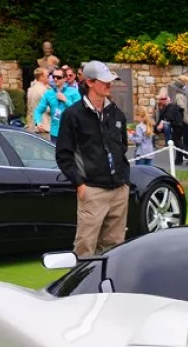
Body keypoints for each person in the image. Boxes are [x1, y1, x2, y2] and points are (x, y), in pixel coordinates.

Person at [55, 61, 130, 257]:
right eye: (104, 81)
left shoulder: (117, 113)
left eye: (110, 81)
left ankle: (109, 286)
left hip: (119, 189)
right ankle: (81, 287)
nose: (109, 84)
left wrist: (124, 179)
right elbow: (64, 154)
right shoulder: (73, 115)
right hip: (92, 190)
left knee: (115, 247)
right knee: (85, 246)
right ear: (89, 82)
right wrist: (79, 184)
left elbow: (121, 147)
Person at [33, 69, 79, 142]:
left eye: (58, 77)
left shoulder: (73, 92)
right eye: (54, 76)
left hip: (71, 133)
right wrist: (38, 122)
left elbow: (79, 111)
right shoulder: (48, 93)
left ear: (65, 78)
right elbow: (38, 111)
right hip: (55, 134)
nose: (55, 79)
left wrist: (65, 100)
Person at [26, 68, 49, 135]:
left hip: (33, 125)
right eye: (47, 76)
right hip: (44, 126)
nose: (49, 78)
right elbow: (48, 109)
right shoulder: (44, 91)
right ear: (41, 77)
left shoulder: (30, 90)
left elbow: (29, 108)